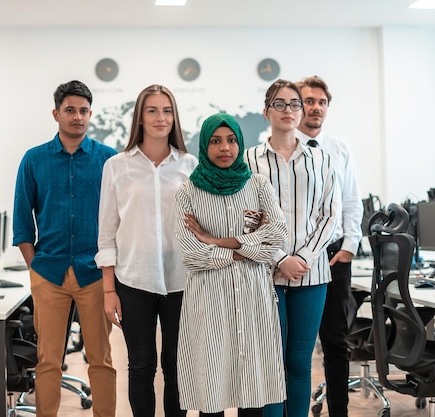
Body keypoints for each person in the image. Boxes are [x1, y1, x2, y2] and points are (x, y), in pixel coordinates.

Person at [12, 80, 117, 417]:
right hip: (49, 274)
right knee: (47, 360)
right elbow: (21, 223)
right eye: (70, 110)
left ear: (90, 114)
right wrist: (35, 268)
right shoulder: (34, 160)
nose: (77, 117)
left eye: (84, 110)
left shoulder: (109, 160)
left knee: (101, 360)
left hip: (95, 274)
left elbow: (122, 220)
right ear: (56, 113)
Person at [175, 113, 288, 417]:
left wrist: (219, 241)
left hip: (252, 297)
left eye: (231, 140)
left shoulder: (258, 185)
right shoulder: (188, 192)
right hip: (209, 300)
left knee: (252, 391)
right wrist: (249, 248)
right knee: (211, 391)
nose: (225, 148)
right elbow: (191, 255)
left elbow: (279, 235)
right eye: (215, 141)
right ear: (204, 145)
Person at [95, 84, 198, 417]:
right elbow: (107, 232)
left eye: (166, 110)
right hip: (133, 280)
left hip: (182, 280)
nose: (160, 117)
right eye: (152, 110)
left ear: (175, 117)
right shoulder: (117, 166)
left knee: (177, 367)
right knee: (140, 366)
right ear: (139, 116)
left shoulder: (189, 165)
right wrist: (109, 290)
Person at [244, 79, 340, 417]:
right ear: (266, 110)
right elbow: (245, 221)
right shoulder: (248, 161)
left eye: (294, 104)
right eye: (280, 104)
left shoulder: (322, 160)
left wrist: (302, 257)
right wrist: (279, 258)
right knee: (270, 365)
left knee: (299, 364)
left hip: (311, 276)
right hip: (263, 276)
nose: (289, 111)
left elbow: (331, 217)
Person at [296, 75, 363, 417]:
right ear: (296, 105)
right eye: (309, 101)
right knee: (294, 345)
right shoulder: (280, 147)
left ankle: (339, 412)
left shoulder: (339, 149)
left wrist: (350, 245)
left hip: (335, 254)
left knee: (336, 342)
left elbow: (352, 201)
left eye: (322, 102)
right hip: (295, 258)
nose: (316, 107)